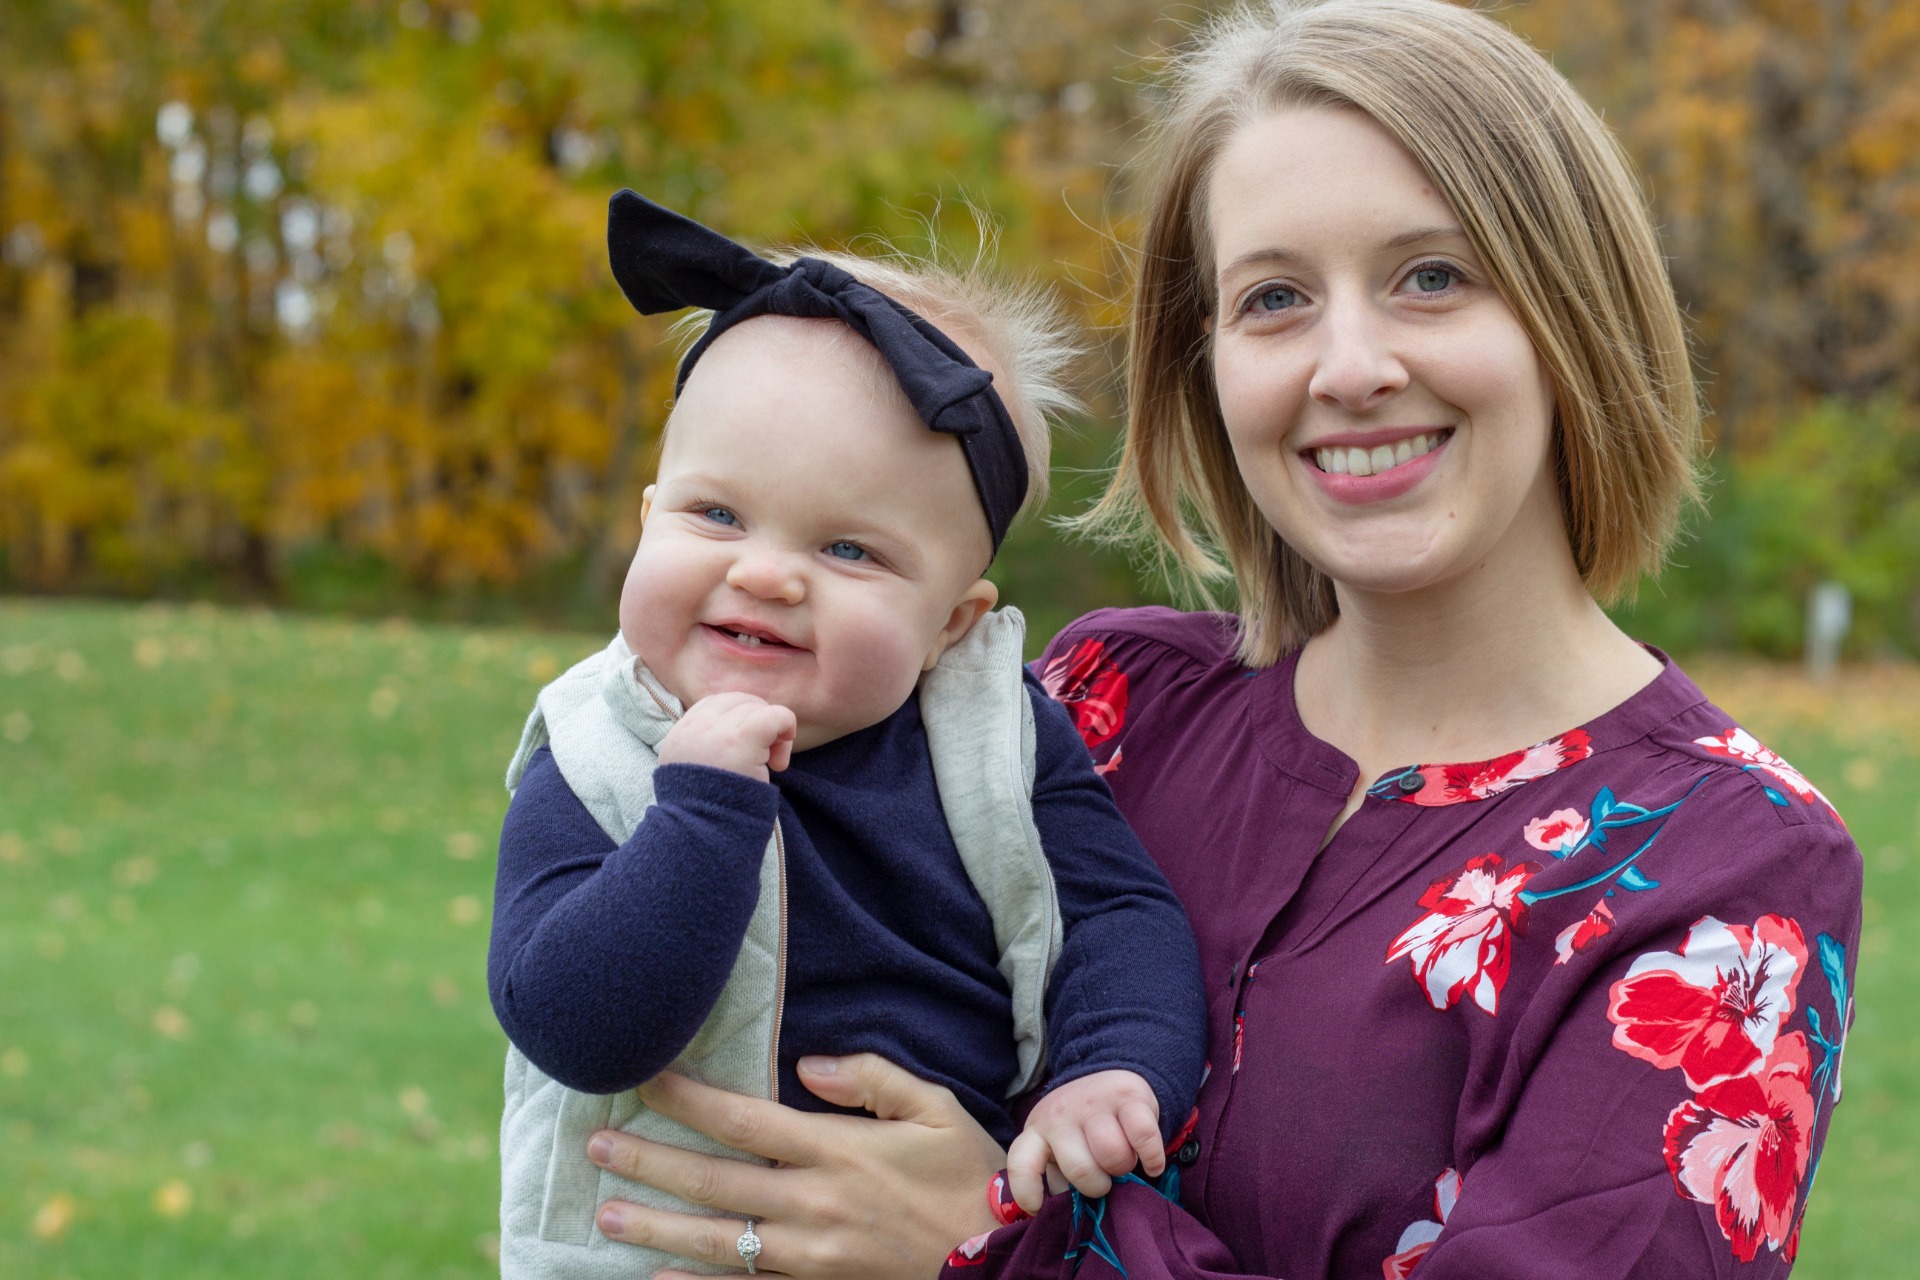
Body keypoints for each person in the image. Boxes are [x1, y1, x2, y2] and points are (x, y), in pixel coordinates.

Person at [571, 2, 1863, 1278]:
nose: (1347, 366)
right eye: (1275, 298)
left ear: (1573, 306)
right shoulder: (1104, 706)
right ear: (1208, 366)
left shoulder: (1724, 866)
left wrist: (996, 1248)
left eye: (1432, 277)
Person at [487, 192, 1207, 1277]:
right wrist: (702, 811)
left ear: (951, 624)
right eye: (717, 514)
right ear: (646, 518)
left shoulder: (998, 736)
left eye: (849, 550)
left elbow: (1119, 914)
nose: (767, 573)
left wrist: (1111, 1067)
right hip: (657, 1253)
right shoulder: (598, 749)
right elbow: (576, 1030)